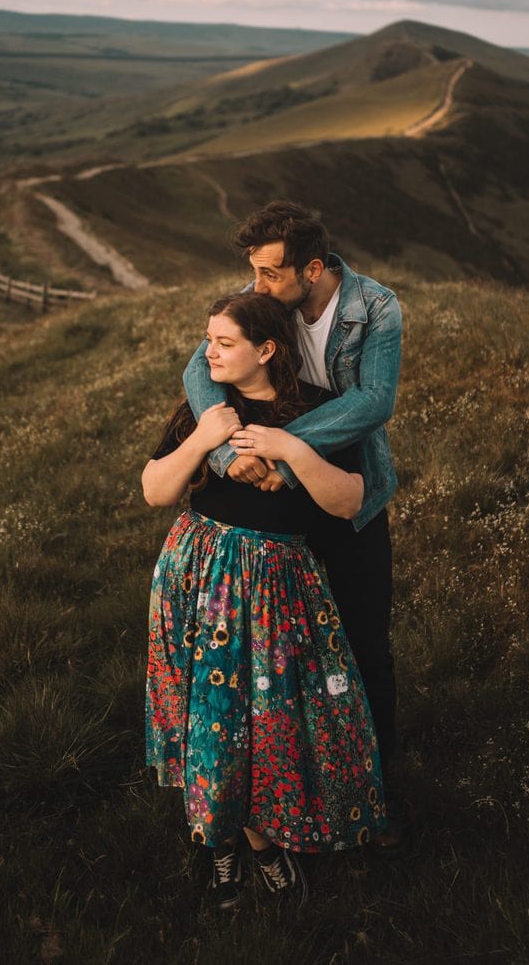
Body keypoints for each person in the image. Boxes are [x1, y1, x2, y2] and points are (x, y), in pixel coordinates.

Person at [144, 292, 387, 909]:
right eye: (209, 339)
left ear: (267, 350)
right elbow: (154, 490)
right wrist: (203, 439)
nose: (209, 353)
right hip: (195, 579)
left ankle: (262, 838)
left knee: (267, 722)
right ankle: (225, 842)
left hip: (276, 592)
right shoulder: (208, 405)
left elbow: (350, 501)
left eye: (224, 343)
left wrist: (293, 450)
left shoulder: (321, 413)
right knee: (207, 715)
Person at [183, 202, 403, 845]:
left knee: (364, 645)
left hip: (342, 489)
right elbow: (202, 367)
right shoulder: (266, 299)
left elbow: (373, 401)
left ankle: (375, 793)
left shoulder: (376, 308)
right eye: (252, 272)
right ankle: (293, 788)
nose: (258, 287)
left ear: (312, 270)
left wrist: (282, 446)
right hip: (273, 499)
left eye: (270, 274)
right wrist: (228, 452)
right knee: (286, 654)